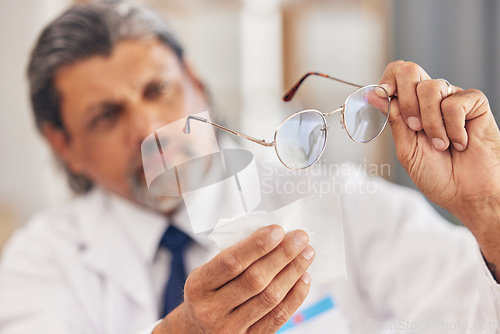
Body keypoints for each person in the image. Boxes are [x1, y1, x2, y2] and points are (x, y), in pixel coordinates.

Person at [0, 1, 499, 333]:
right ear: (64, 145)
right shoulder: (42, 259)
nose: (150, 127)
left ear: (196, 81)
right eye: (107, 116)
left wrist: (489, 212)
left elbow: (469, 314)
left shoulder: (342, 201)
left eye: (158, 90)